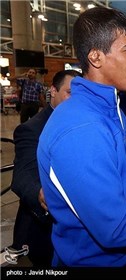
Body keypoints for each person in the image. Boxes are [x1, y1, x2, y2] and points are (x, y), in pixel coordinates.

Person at [36, 7, 126, 267]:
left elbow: (118, 163)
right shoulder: (82, 129)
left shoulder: (109, 109)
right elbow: (115, 227)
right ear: (96, 57)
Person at [10, 69, 81, 266]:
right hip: (42, 230)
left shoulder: (84, 125)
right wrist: (39, 192)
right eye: (69, 92)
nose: (75, 100)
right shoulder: (32, 129)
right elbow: (22, 175)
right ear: (53, 91)